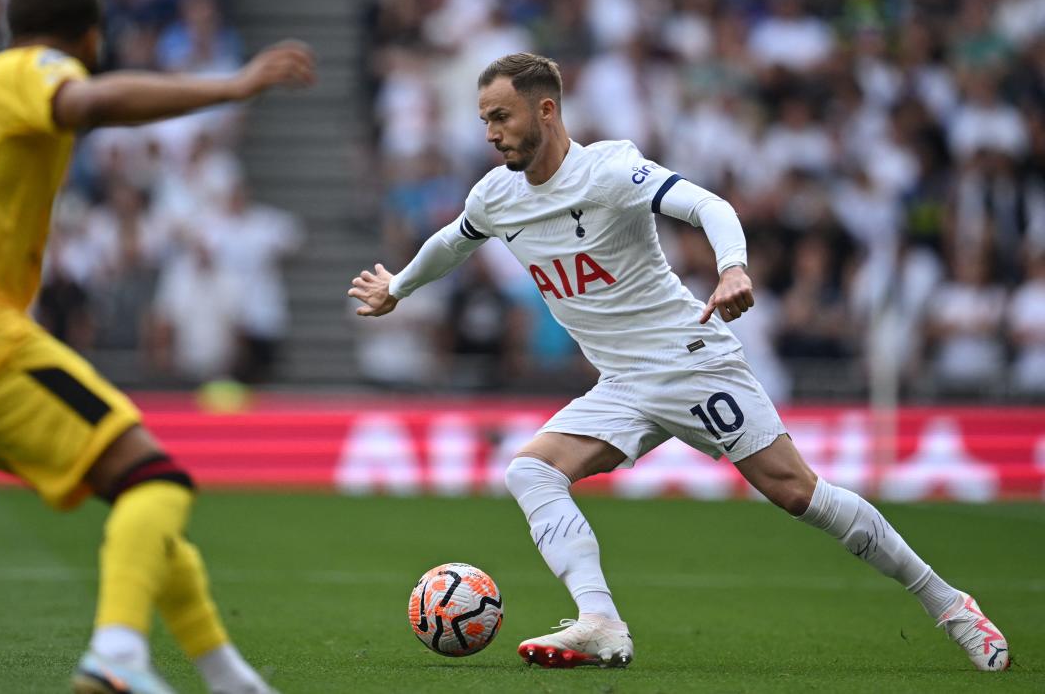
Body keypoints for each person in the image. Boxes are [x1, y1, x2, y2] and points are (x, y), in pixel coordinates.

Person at [348, 53, 1009, 673]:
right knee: (531, 471)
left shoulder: (608, 171)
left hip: (688, 359)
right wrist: (398, 288)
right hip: (624, 382)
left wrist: (731, 268)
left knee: (795, 493)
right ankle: (600, 621)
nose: (490, 133)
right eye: (485, 119)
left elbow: (707, 205)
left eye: (501, 116)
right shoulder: (497, 196)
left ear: (546, 111)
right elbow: (452, 240)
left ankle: (950, 604)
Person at [0, 0, 315, 694]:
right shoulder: (31, 69)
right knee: (158, 482)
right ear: (90, 37)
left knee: (133, 488)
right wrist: (230, 87)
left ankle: (230, 679)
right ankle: (115, 655)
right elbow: (87, 100)